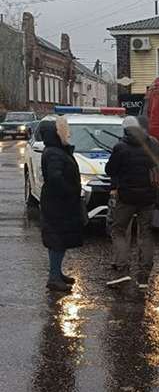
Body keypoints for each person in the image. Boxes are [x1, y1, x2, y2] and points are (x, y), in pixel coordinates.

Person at [105, 116, 159, 289]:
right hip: (148, 197)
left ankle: (122, 270)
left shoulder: (120, 147)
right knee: (145, 233)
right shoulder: (154, 144)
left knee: (119, 230)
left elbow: (110, 170)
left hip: (126, 198)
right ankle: (143, 277)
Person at [39, 117, 83, 293]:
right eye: (64, 130)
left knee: (59, 239)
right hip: (58, 203)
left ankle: (56, 273)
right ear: (56, 133)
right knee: (57, 239)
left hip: (59, 202)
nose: (68, 132)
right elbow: (55, 178)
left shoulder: (56, 151)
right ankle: (54, 278)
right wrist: (70, 191)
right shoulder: (54, 153)